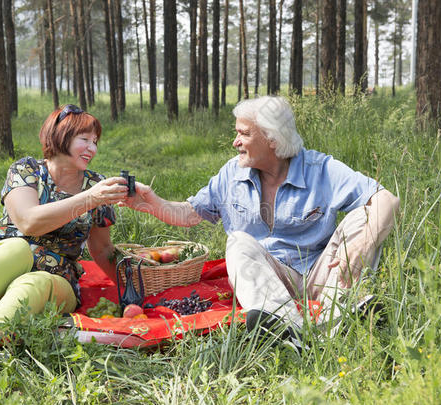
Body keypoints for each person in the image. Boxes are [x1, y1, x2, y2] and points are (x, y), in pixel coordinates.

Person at [124, 96, 400, 345]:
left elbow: (386, 198)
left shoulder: (321, 169)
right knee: (238, 242)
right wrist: (153, 203)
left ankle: (332, 321)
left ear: (273, 139)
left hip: (323, 272)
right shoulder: (232, 173)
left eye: (244, 134)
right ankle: (288, 327)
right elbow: (192, 213)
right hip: (268, 278)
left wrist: (361, 247)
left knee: (367, 216)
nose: (235, 142)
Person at [0, 104, 129, 343]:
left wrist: (137, 287)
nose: (92, 148)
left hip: (55, 278)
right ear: (61, 136)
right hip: (1, 264)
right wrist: (89, 199)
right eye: (85, 139)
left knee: (34, 283)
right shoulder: (26, 169)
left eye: (95, 142)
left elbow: (102, 249)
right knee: (18, 247)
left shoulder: (97, 185)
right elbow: (29, 222)